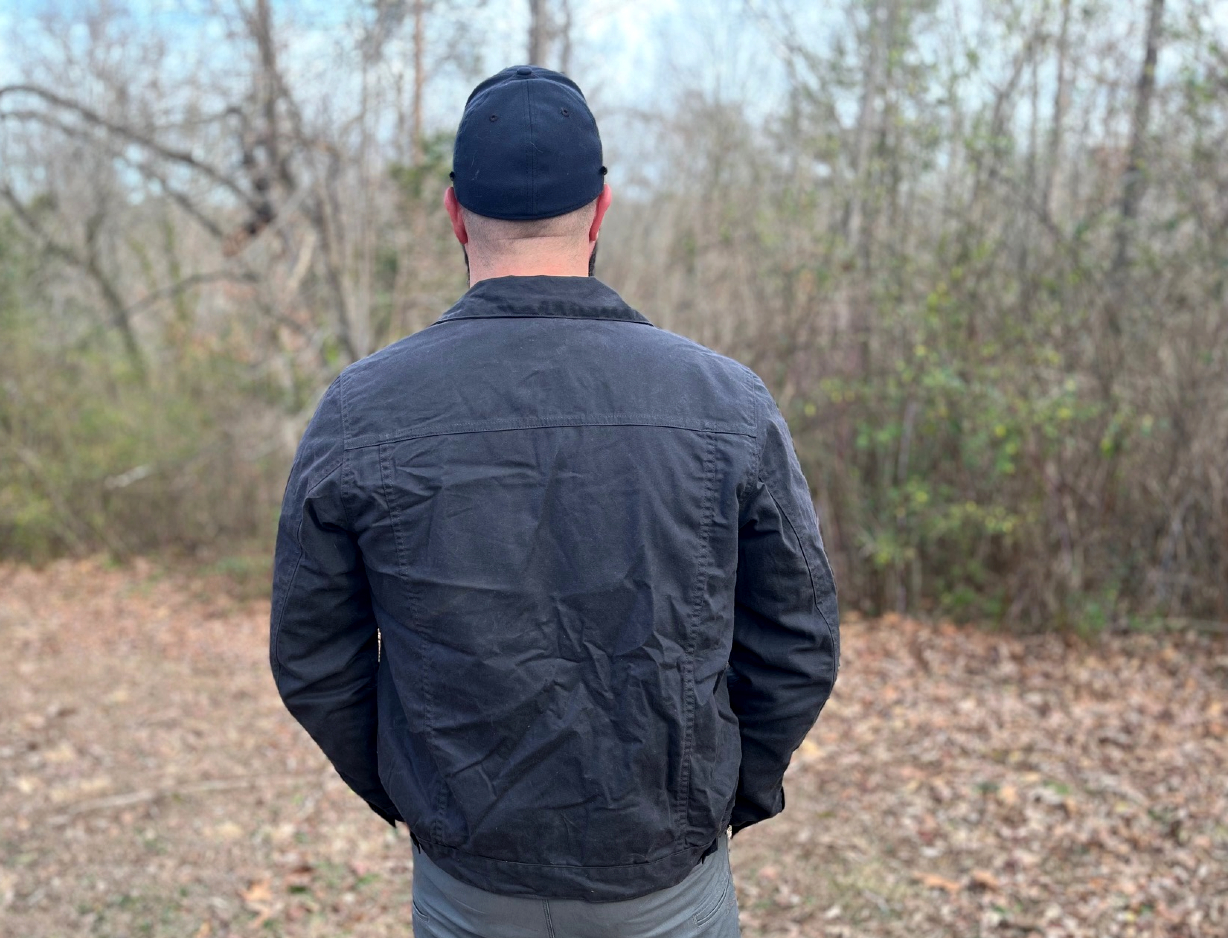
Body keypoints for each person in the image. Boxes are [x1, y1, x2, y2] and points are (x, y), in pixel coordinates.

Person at [269, 65, 839, 938]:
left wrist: (420, 798)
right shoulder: (726, 403)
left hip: (470, 880)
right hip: (664, 880)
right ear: (602, 210)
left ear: (455, 214)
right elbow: (799, 640)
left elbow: (313, 656)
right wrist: (719, 797)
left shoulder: (362, 410)